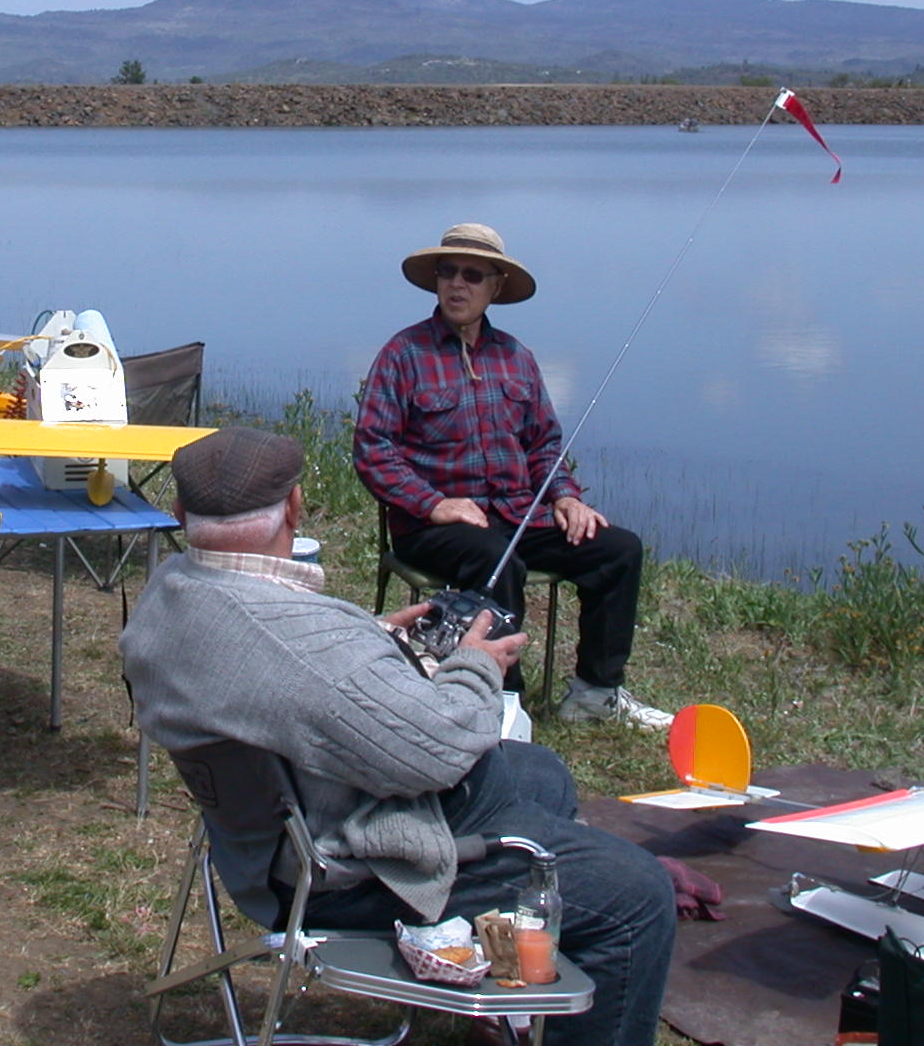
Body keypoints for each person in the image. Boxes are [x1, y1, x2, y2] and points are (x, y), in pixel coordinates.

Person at [121, 427, 674, 1046]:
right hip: (340, 874)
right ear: (296, 505)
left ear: (179, 515)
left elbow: (281, 673)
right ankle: (534, 971)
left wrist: (373, 640)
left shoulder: (172, 594)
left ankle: (505, 991)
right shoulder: (292, 642)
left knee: (540, 772)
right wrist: (475, 667)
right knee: (638, 894)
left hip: (260, 838)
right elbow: (435, 754)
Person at [354, 223, 670, 730]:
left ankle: (595, 694)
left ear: (495, 288)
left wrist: (565, 497)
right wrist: (434, 504)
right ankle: (503, 705)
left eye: (473, 276)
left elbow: (544, 443)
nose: (457, 285)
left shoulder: (516, 358)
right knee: (493, 558)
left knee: (618, 549)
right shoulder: (403, 354)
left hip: (517, 516)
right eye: (448, 273)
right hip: (430, 530)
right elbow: (373, 450)